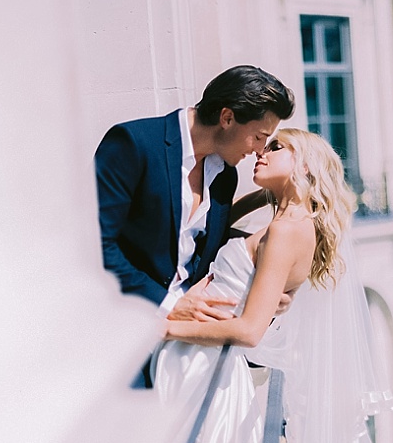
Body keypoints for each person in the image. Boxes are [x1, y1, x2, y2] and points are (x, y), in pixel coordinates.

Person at [152, 128, 393, 443]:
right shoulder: (283, 217)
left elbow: (249, 330)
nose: (261, 152)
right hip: (199, 357)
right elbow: (219, 226)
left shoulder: (286, 230)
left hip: (203, 364)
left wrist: (165, 328)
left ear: (305, 166)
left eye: (277, 147)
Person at [95, 65, 296, 385]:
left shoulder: (225, 176)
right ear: (227, 118)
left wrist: (265, 279)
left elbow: (202, 245)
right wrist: (172, 305)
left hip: (189, 345)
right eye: (259, 137)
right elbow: (95, 245)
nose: (259, 150)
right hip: (123, 338)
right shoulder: (133, 144)